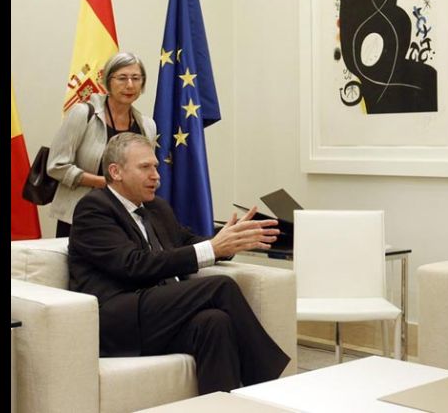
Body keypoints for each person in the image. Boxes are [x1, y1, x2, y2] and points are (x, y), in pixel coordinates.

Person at [68, 132, 290, 394]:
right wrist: (212, 248)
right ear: (116, 172)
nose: (156, 176)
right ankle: (273, 387)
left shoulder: (157, 208)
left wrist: (229, 240)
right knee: (220, 286)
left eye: (156, 167)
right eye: (145, 167)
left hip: (160, 313)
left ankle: (222, 407)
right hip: (121, 319)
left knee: (214, 322)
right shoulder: (93, 208)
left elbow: (189, 242)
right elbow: (132, 265)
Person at [47, 52, 156, 237]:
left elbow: (146, 170)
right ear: (108, 81)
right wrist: (105, 183)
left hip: (126, 219)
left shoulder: (147, 125)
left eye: (136, 78)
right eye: (122, 78)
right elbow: (56, 166)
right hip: (80, 215)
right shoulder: (83, 114)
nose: (129, 85)